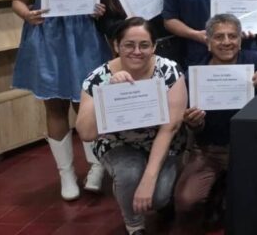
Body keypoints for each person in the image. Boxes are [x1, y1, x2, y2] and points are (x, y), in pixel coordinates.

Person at [12, 0, 111, 201]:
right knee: (54, 106)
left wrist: (99, 9)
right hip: (49, 39)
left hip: (85, 36)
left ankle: (95, 165)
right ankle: (66, 173)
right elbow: (18, 0)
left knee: (88, 104)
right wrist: (27, 14)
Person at [172, 14, 257, 234]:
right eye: (219, 37)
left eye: (232, 36)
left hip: (249, 152)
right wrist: (194, 124)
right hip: (208, 150)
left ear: (240, 40)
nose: (227, 42)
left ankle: (224, 194)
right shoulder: (194, 74)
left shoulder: (254, 59)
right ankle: (217, 194)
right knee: (186, 200)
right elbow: (192, 127)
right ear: (208, 43)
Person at [76, 17, 187, 235]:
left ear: (154, 46)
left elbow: (170, 128)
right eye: (129, 44)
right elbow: (86, 133)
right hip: (118, 143)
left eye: (144, 45)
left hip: (163, 141)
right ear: (116, 46)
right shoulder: (98, 77)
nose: (137, 51)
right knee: (129, 173)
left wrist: (149, 179)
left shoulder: (169, 71)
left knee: (157, 196)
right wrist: (108, 92)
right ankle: (135, 226)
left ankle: (164, 200)